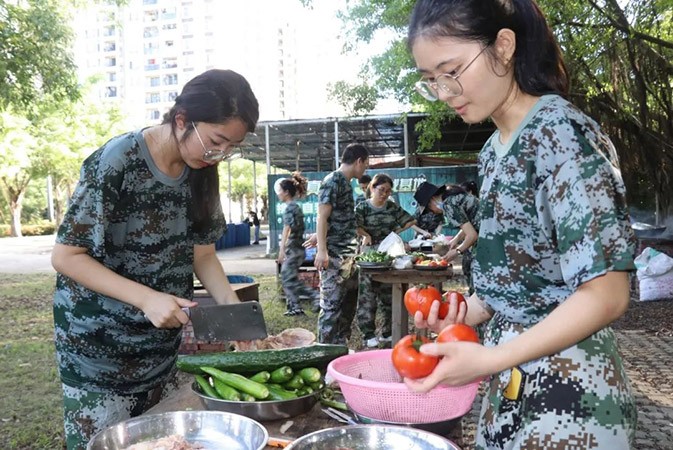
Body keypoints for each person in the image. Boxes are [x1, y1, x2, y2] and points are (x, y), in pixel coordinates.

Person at [405, 1, 637, 448]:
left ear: (504, 46)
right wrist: (457, 314)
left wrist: (489, 358)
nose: (444, 90)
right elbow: (511, 286)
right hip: (512, 386)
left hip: (572, 396)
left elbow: (607, 294)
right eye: (430, 80)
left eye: (451, 70)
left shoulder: (561, 134)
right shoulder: (495, 149)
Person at [51, 69, 259, 449]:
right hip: (99, 353)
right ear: (182, 120)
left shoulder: (201, 169)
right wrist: (146, 298)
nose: (221, 154)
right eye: (216, 141)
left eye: (233, 147)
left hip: (159, 350)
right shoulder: (117, 161)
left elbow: (204, 252)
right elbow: (66, 256)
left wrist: (234, 316)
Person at [355, 173, 422, 347]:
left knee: (388, 294)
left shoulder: (392, 207)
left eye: (388, 191)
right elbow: (355, 225)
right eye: (382, 190)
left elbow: (410, 220)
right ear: (372, 188)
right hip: (368, 254)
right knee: (367, 295)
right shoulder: (362, 207)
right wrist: (366, 234)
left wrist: (394, 234)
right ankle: (368, 334)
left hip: (388, 253)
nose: (384, 194)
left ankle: (387, 332)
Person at [314, 143, 369, 344]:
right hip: (335, 256)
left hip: (349, 255)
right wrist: (322, 250)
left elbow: (335, 218)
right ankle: (324, 354)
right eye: (366, 165)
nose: (365, 170)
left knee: (348, 305)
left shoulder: (345, 183)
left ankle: (340, 348)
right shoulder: (332, 181)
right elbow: (322, 216)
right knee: (331, 308)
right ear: (358, 161)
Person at [276, 172, 318, 316]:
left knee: (287, 278)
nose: (278, 194)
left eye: (280, 190)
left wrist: (281, 249)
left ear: (286, 192)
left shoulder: (290, 208)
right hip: (298, 248)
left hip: (293, 248)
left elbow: (287, 229)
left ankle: (314, 296)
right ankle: (294, 307)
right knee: (289, 277)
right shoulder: (296, 207)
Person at [440, 184, 479, 295]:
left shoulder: (448, 204)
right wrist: (456, 239)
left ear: (432, 199)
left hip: (484, 241)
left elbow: (472, 235)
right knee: (467, 264)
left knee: (475, 279)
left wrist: (457, 251)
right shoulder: (460, 197)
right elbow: (469, 225)